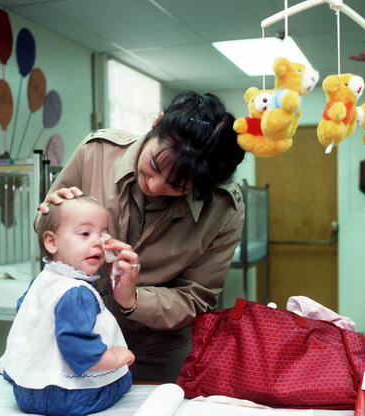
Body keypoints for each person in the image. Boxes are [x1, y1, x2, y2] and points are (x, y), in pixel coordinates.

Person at [38, 91, 246, 382]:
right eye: (154, 167)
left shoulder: (223, 209)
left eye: (177, 186)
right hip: (71, 336)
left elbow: (195, 297)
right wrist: (53, 214)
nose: (154, 184)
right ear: (156, 124)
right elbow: (44, 230)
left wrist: (134, 299)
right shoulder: (96, 153)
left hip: (155, 352)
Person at [0, 195, 138, 416]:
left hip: (26, 387)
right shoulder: (77, 293)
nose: (97, 243)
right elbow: (79, 348)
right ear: (51, 242)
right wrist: (115, 358)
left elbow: (24, 314)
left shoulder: (43, 280)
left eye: (102, 235)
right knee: (123, 378)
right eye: (85, 233)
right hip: (66, 395)